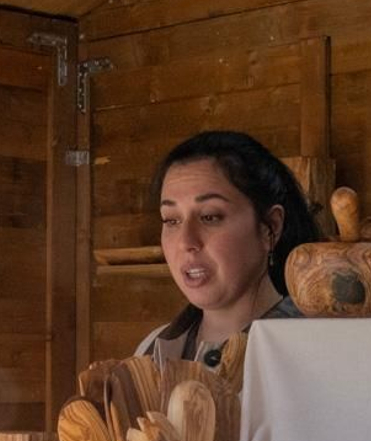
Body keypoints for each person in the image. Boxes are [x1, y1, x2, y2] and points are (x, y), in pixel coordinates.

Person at [137, 131, 323, 364]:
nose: (186, 242)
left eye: (210, 217)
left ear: (270, 227)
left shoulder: (317, 350)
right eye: (171, 220)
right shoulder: (151, 349)